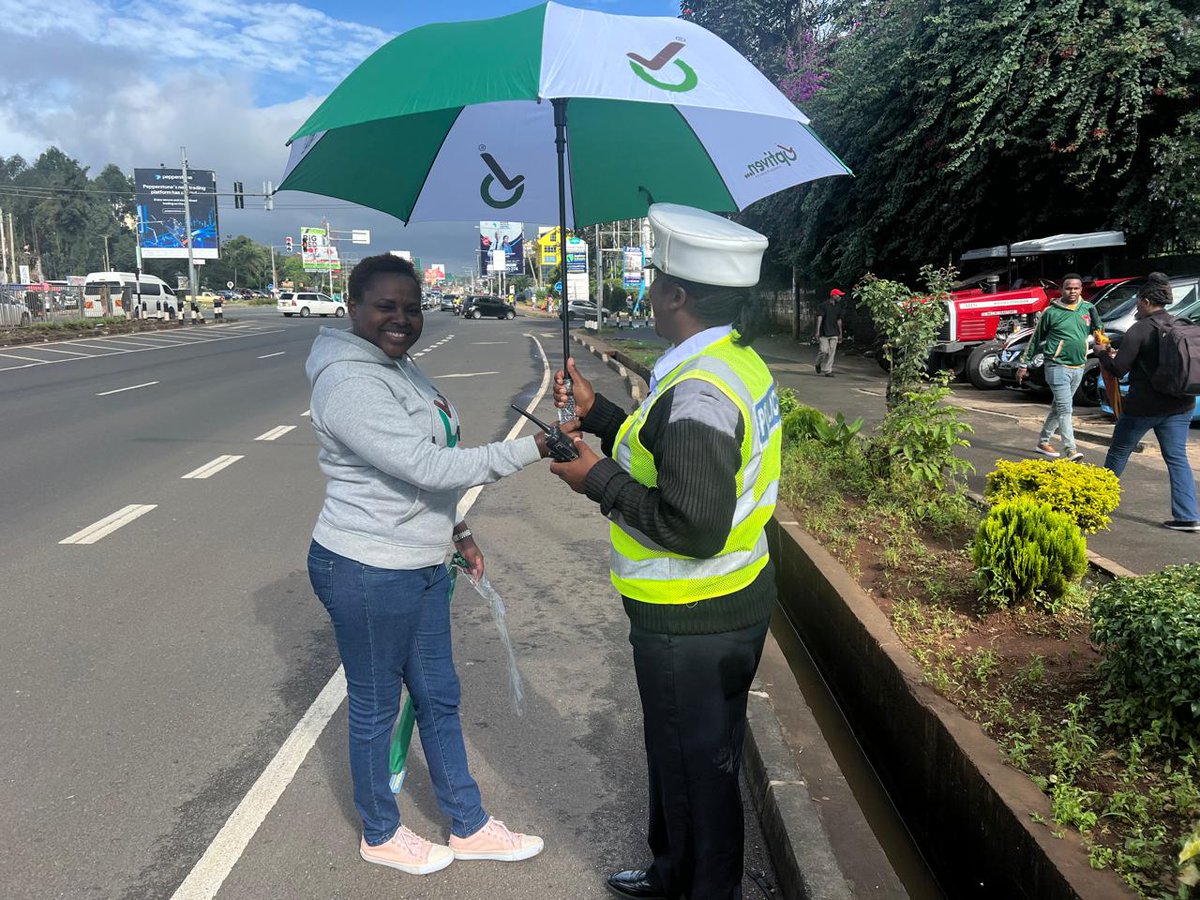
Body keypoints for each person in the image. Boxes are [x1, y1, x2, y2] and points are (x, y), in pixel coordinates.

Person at [549, 204, 782, 900]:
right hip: (726, 602)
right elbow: (668, 461)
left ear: (676, 295)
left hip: (693, 614)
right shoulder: (728, 362)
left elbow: (691, 524)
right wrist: (598, 416)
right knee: (690, 757)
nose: (648, 289)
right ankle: (673, 871)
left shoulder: (700, 392)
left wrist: (595, 479)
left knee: (695, 769)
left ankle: (703, 888)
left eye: (654, 279)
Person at [305, 253, 547, 877]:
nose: (401, 318)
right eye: (385, 306)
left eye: (410, 307)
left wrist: (459, 530)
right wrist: (534, 447)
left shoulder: (401, 369)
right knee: (376, 703)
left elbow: (431, 468)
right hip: (366, 567)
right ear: (353, 307)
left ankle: (467, 825)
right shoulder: (349, 382)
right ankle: (380, 833)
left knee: (439, 695)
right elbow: (428, 468)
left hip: (419, 561)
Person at [1098, 274, 1199, 532]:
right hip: (1181, 405)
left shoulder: (1140, 329)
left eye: (1138, 302)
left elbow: (1119, 369)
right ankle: (1188, 516)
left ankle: (1097, 503)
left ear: (1144, 301)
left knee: (1119, 451)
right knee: (1177, 458)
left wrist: (1102, 354)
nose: (1137, 307)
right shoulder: (1180, 323)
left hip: (1143, 408)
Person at [1017, 273, 1102, 461]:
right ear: (1061, 289)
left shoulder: (1088, 308)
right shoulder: (1051, 312)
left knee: (1059, 407)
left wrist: (1104, 345)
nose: (1072, 291)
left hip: (1079, 365)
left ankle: (1043, 440)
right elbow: (1035, 339)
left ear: (1081, 289)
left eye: (1076, 288)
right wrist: (1024, 364)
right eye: (1068, 288)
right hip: (1056, 366)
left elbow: (1098, 330)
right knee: (1066, 409)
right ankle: (1070, 450)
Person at [814, 287, 845, 376]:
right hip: (824, 332)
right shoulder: (823, 305)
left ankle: (828, 370)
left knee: (832, 353)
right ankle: (817, 363)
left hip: (834, 332)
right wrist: (817, 331)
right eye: (838, 295)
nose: (840, 297)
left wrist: (840, 333)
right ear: (833, 295)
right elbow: (820, 317)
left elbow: (839, 320)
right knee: (824, 351)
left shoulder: (838, 306)